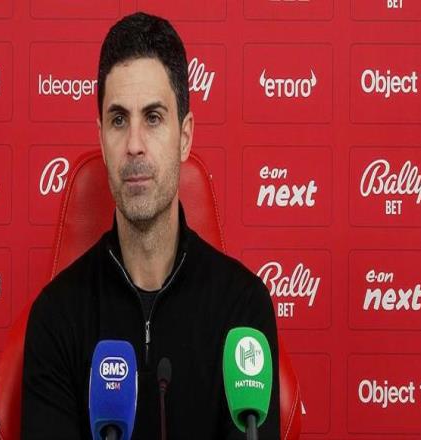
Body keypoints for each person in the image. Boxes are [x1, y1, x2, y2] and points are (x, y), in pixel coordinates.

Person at [22, 12, 280, 439]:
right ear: (102, 138)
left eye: (154, 118)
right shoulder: (56, 317)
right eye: (118, 120)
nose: (134, 144)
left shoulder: (243, 310)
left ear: (185, 136)